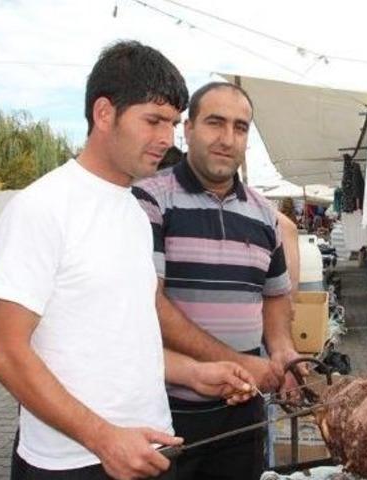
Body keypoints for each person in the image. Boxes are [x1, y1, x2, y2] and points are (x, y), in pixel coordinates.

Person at [0, 41, 255, 480]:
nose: (167, 139)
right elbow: (5, 354)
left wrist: (195, 372)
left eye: (171, 123)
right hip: (74, 462)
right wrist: (103, 436)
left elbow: (129, 337)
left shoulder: (134, 211)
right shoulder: (42, 206)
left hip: (150, 448)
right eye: (152, 120)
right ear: (104, 113)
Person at [133, 82, 298, 480]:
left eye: (240, 128)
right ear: (188, 130)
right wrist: (239, 361)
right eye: (215, 123)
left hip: (244, 412)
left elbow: (275, 297)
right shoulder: (150, 200)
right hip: (168, 410)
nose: (227, 139)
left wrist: (283, 352)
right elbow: (147, 304)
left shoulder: (264, 213)